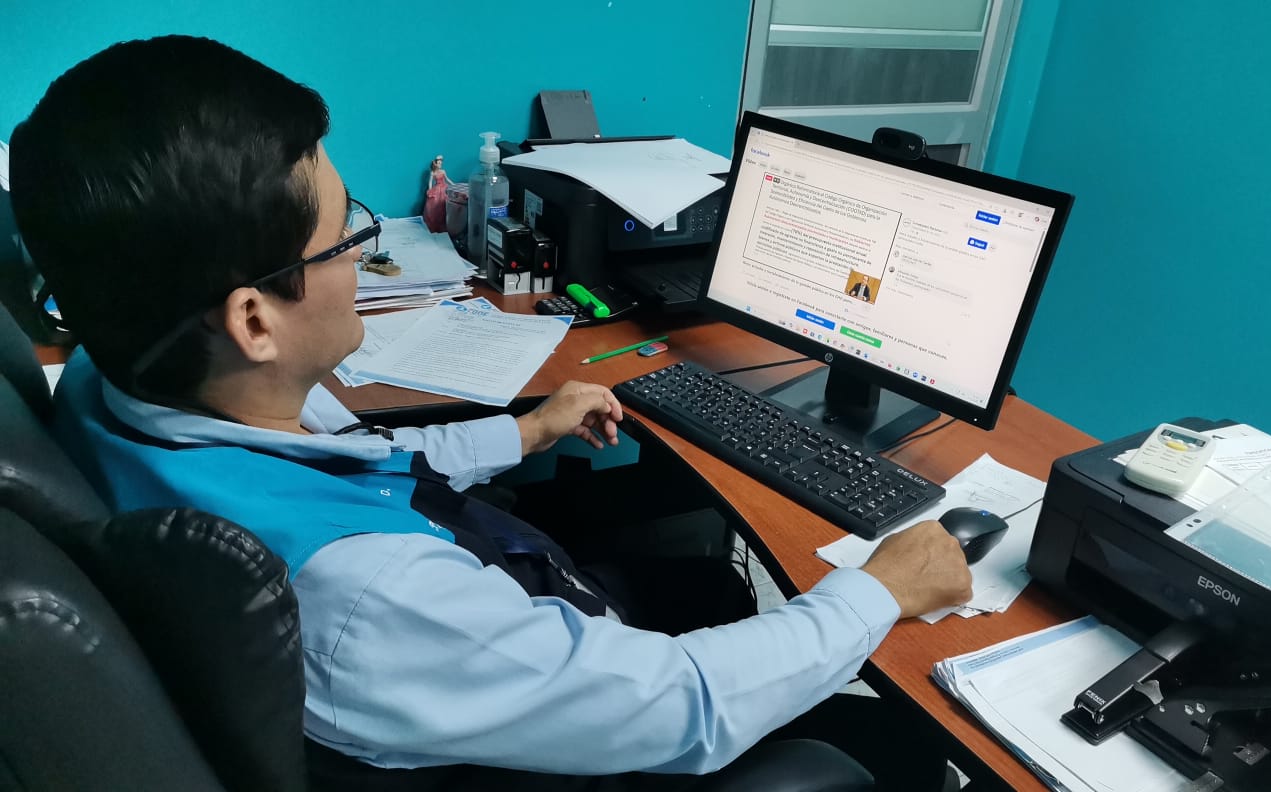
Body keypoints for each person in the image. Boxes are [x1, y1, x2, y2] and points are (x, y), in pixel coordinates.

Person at [10, 36, 973, 789]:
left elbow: (355, 455)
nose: (366, 254)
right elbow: (688, 705)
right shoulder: (372, 597)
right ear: (253, 321)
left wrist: (525, 429)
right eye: (345, 236)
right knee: (883, 735)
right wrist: (881, 589)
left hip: (503, 633)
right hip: (552, 740)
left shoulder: (116, 380)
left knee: (710, 587)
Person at [423, 153, 450, 232]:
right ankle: (436, 222)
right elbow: (430, 182)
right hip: (437, 189)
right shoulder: (433, 173)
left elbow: (447, 179)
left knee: (444, 202)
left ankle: (445, 222)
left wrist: (453, 185)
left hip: (444, 187)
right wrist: (430, 190)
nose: (440, 164)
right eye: (438, 163)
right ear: (435, 164)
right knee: (435, 204)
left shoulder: (443, 171)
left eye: (441, 163)